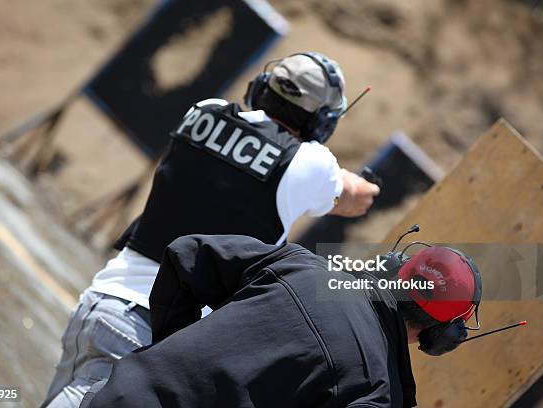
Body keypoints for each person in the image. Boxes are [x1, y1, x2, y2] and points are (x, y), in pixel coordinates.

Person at [42, 52, 381, 407]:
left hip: (102, 304)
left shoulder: (204, 110)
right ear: (321, 122)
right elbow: (351, 196)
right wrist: (364, 186)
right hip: (146, 335)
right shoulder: (310, 164)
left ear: (262, 87)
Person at [83, 234, 482, 408]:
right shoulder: (380, 391)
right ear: (443, 334)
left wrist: (172, 350)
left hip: (117, 395)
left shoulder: (303, 265)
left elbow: (186, 253)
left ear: (396, 268)